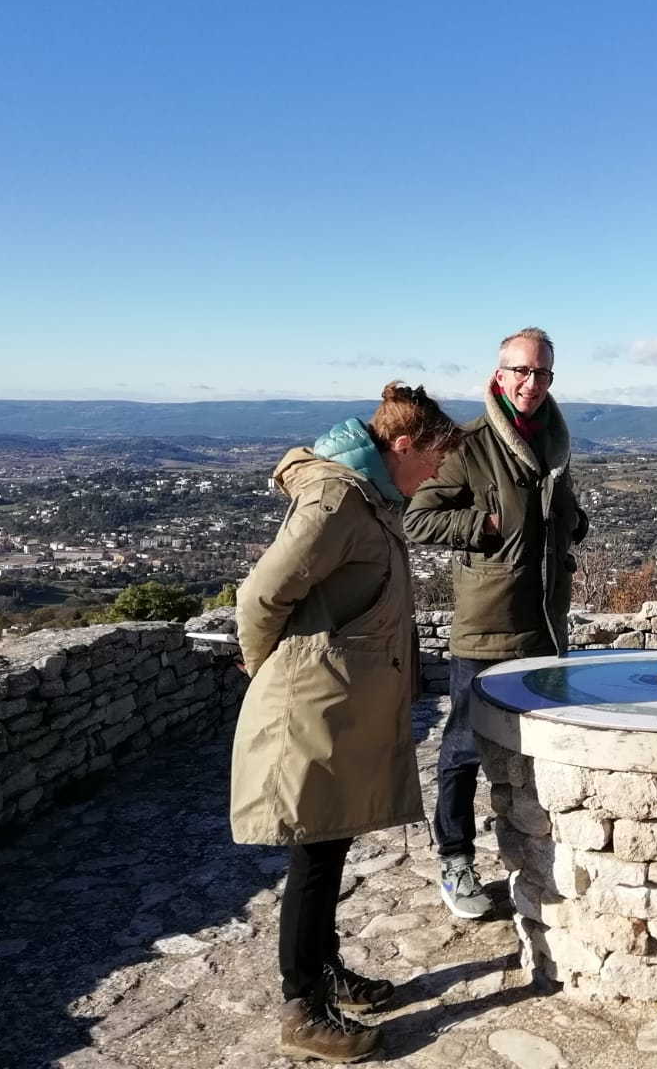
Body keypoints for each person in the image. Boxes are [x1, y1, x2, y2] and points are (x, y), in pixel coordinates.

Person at [232, 383, 464, 1063]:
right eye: (433, 460)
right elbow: (261, 595)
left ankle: (326, 971)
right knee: (311, 855)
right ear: (401, 447)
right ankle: (301, 1005)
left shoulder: (367, 499)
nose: (437, 474)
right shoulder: (337, 499)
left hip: (333, 706)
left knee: (329, 844)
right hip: (310, 706)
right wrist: (267, 675)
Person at [403, 326, 588, 919]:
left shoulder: (555, 443)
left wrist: (572, 524)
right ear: (500, 374)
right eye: (523, 371)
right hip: (488, 624)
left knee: (544, 742)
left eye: (543, 374)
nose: (532, 383)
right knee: (463, 746)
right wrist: (481, 526)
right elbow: (418, 520)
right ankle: (454, 858)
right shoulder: (470, 445)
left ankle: (537, 847)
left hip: (546, 623)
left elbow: (561, 511)